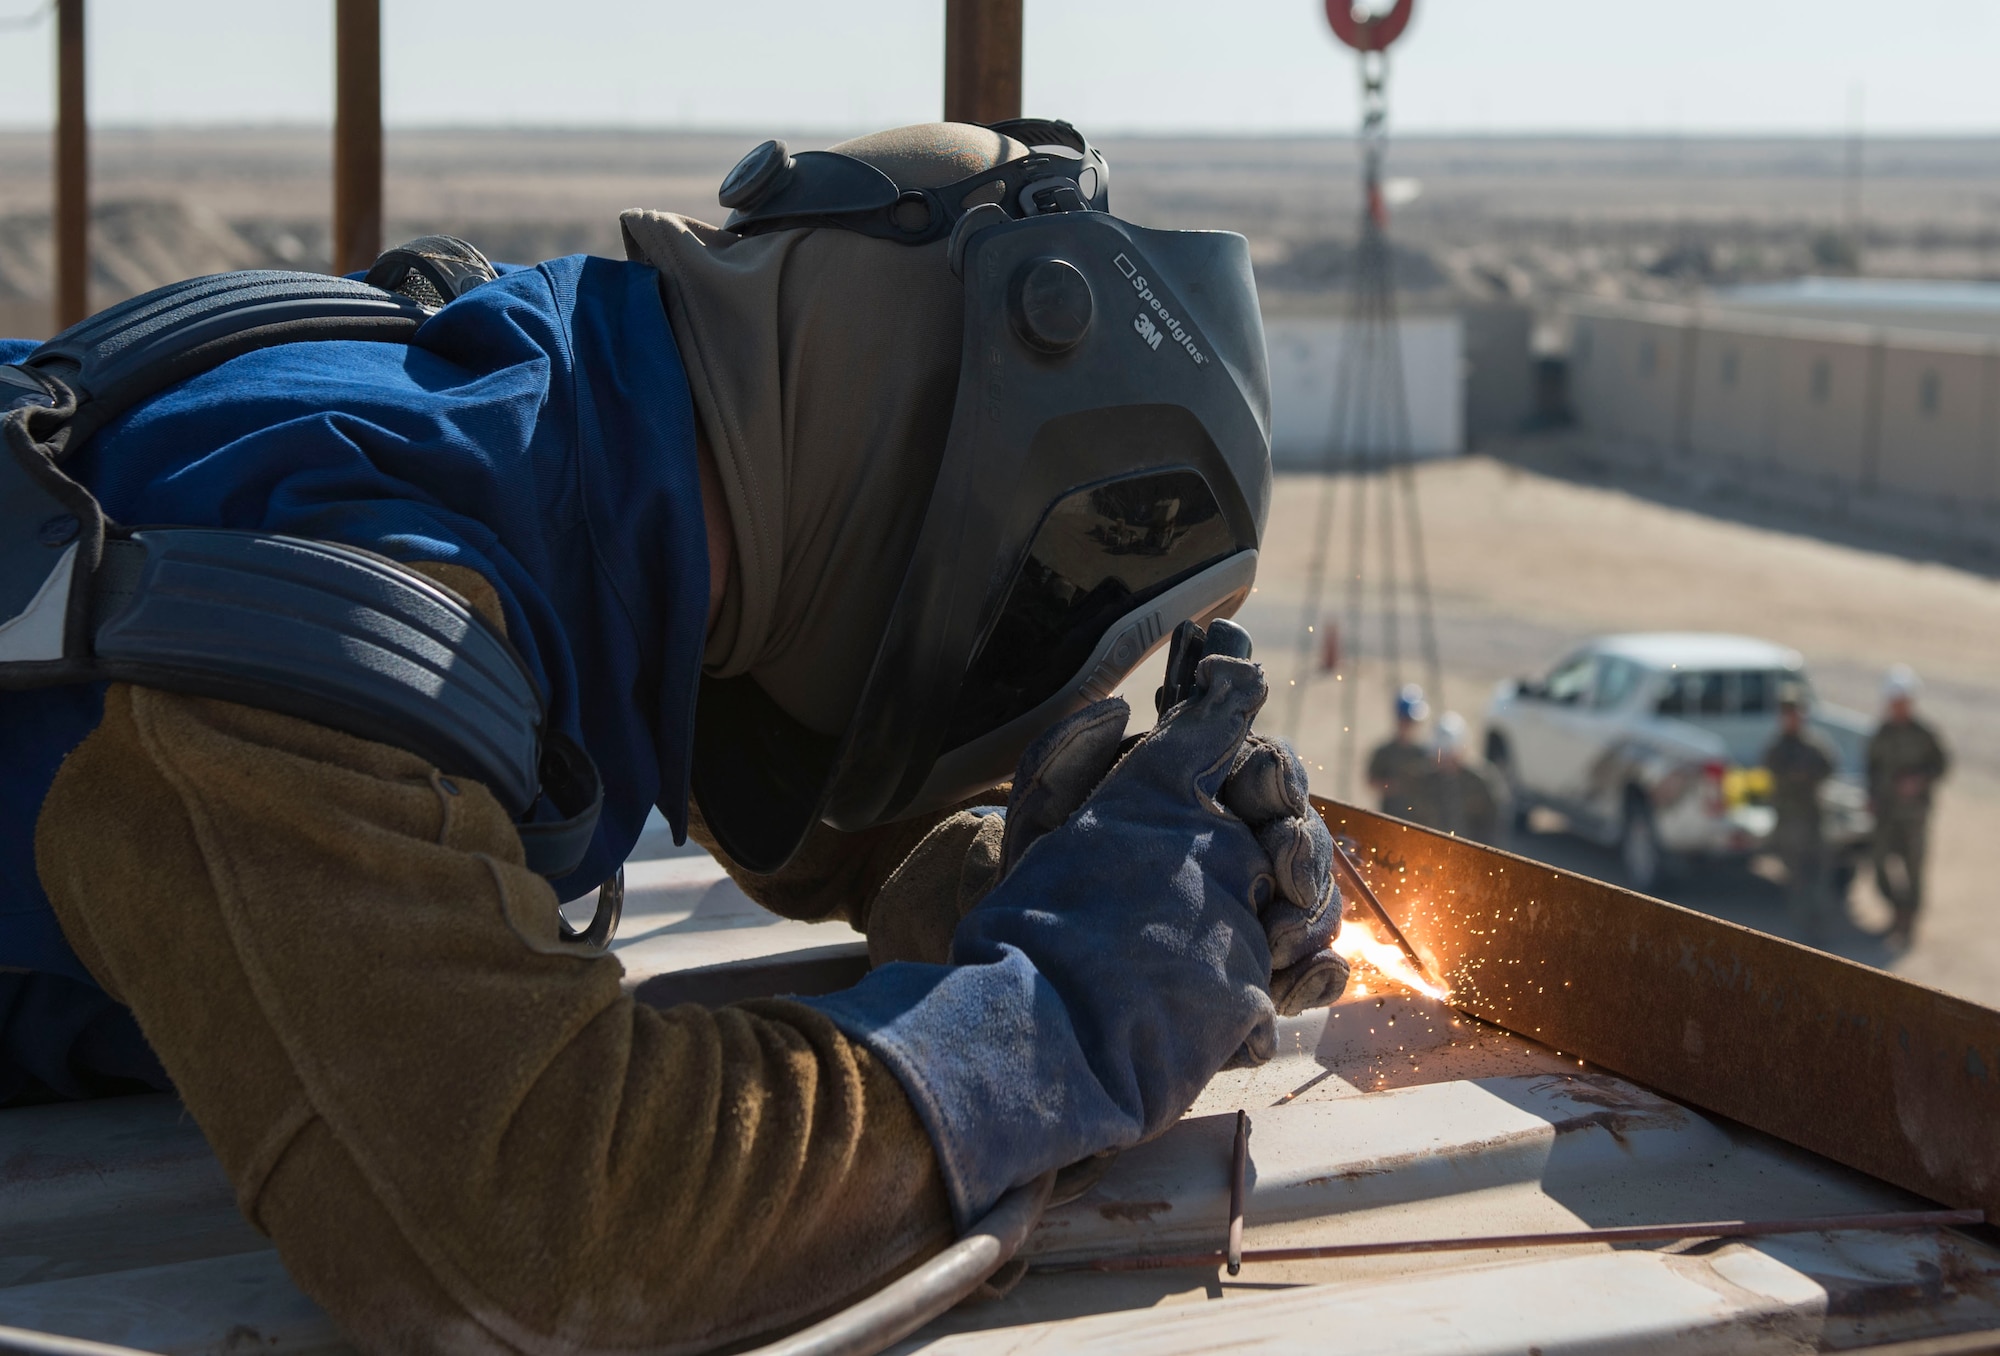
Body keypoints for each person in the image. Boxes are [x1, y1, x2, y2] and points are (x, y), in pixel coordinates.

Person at [1, 123, 1348, 1352]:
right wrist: (1062, 1020)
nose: (1026, 695)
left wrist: (1022, 881)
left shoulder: (536, 421)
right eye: (1045, 620)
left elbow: (759, 789)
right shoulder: (319, 607)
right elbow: (539, 1238)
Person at [1867, 664, 1950, 948]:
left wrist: (1919, 780)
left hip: (1914, 815)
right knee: (1879, 865)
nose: (1898, 707)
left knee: (1914, 870)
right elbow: (1871, 768)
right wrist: (1873, 797)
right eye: (1894, 702)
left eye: (1902, 702)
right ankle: (1896, 911)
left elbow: (1941, 766)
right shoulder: (1881, 733)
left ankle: (1908, 922)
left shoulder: (1924, 734)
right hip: (1887, 814)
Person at [1762, 683, 1839, 945]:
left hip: (1813, 825)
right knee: (1797, 882)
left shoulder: (1814, 746)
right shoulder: (1776, 750)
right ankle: (1802, 935)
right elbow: (1774, 777)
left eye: (1794, 712)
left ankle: (1819, 933)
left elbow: (1829, 767)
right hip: (1789, 828)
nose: (1791, 718)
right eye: (1786, 713)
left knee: (1819, 881)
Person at [1406, 711, 1509, 847]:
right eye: (1441, 756)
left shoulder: (1483, 781)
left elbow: (1495, 824)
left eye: (1450, 756)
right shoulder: (1422, 781)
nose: (1445, 762)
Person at [1368, 683, 1431, 819]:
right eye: (1407, 721)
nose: (1410, 726)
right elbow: (1371, 781)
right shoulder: (1384, 752)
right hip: (1390, 817)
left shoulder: (1425, 754)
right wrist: (1393, 786)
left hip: (1419, 821)